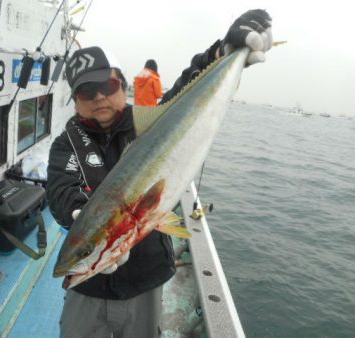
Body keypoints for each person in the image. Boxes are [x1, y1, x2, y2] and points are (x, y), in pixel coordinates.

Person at [47, 9, 272, 338]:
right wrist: (79, 215)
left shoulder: (149, 124)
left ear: (122, 86)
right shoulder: (65, 145)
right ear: (75, 101)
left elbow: (188, 85)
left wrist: (223, 51)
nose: (98, 97)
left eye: (107, 85)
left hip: (146, 281)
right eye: (85, 92)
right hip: (88, 291)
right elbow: (60, 192)